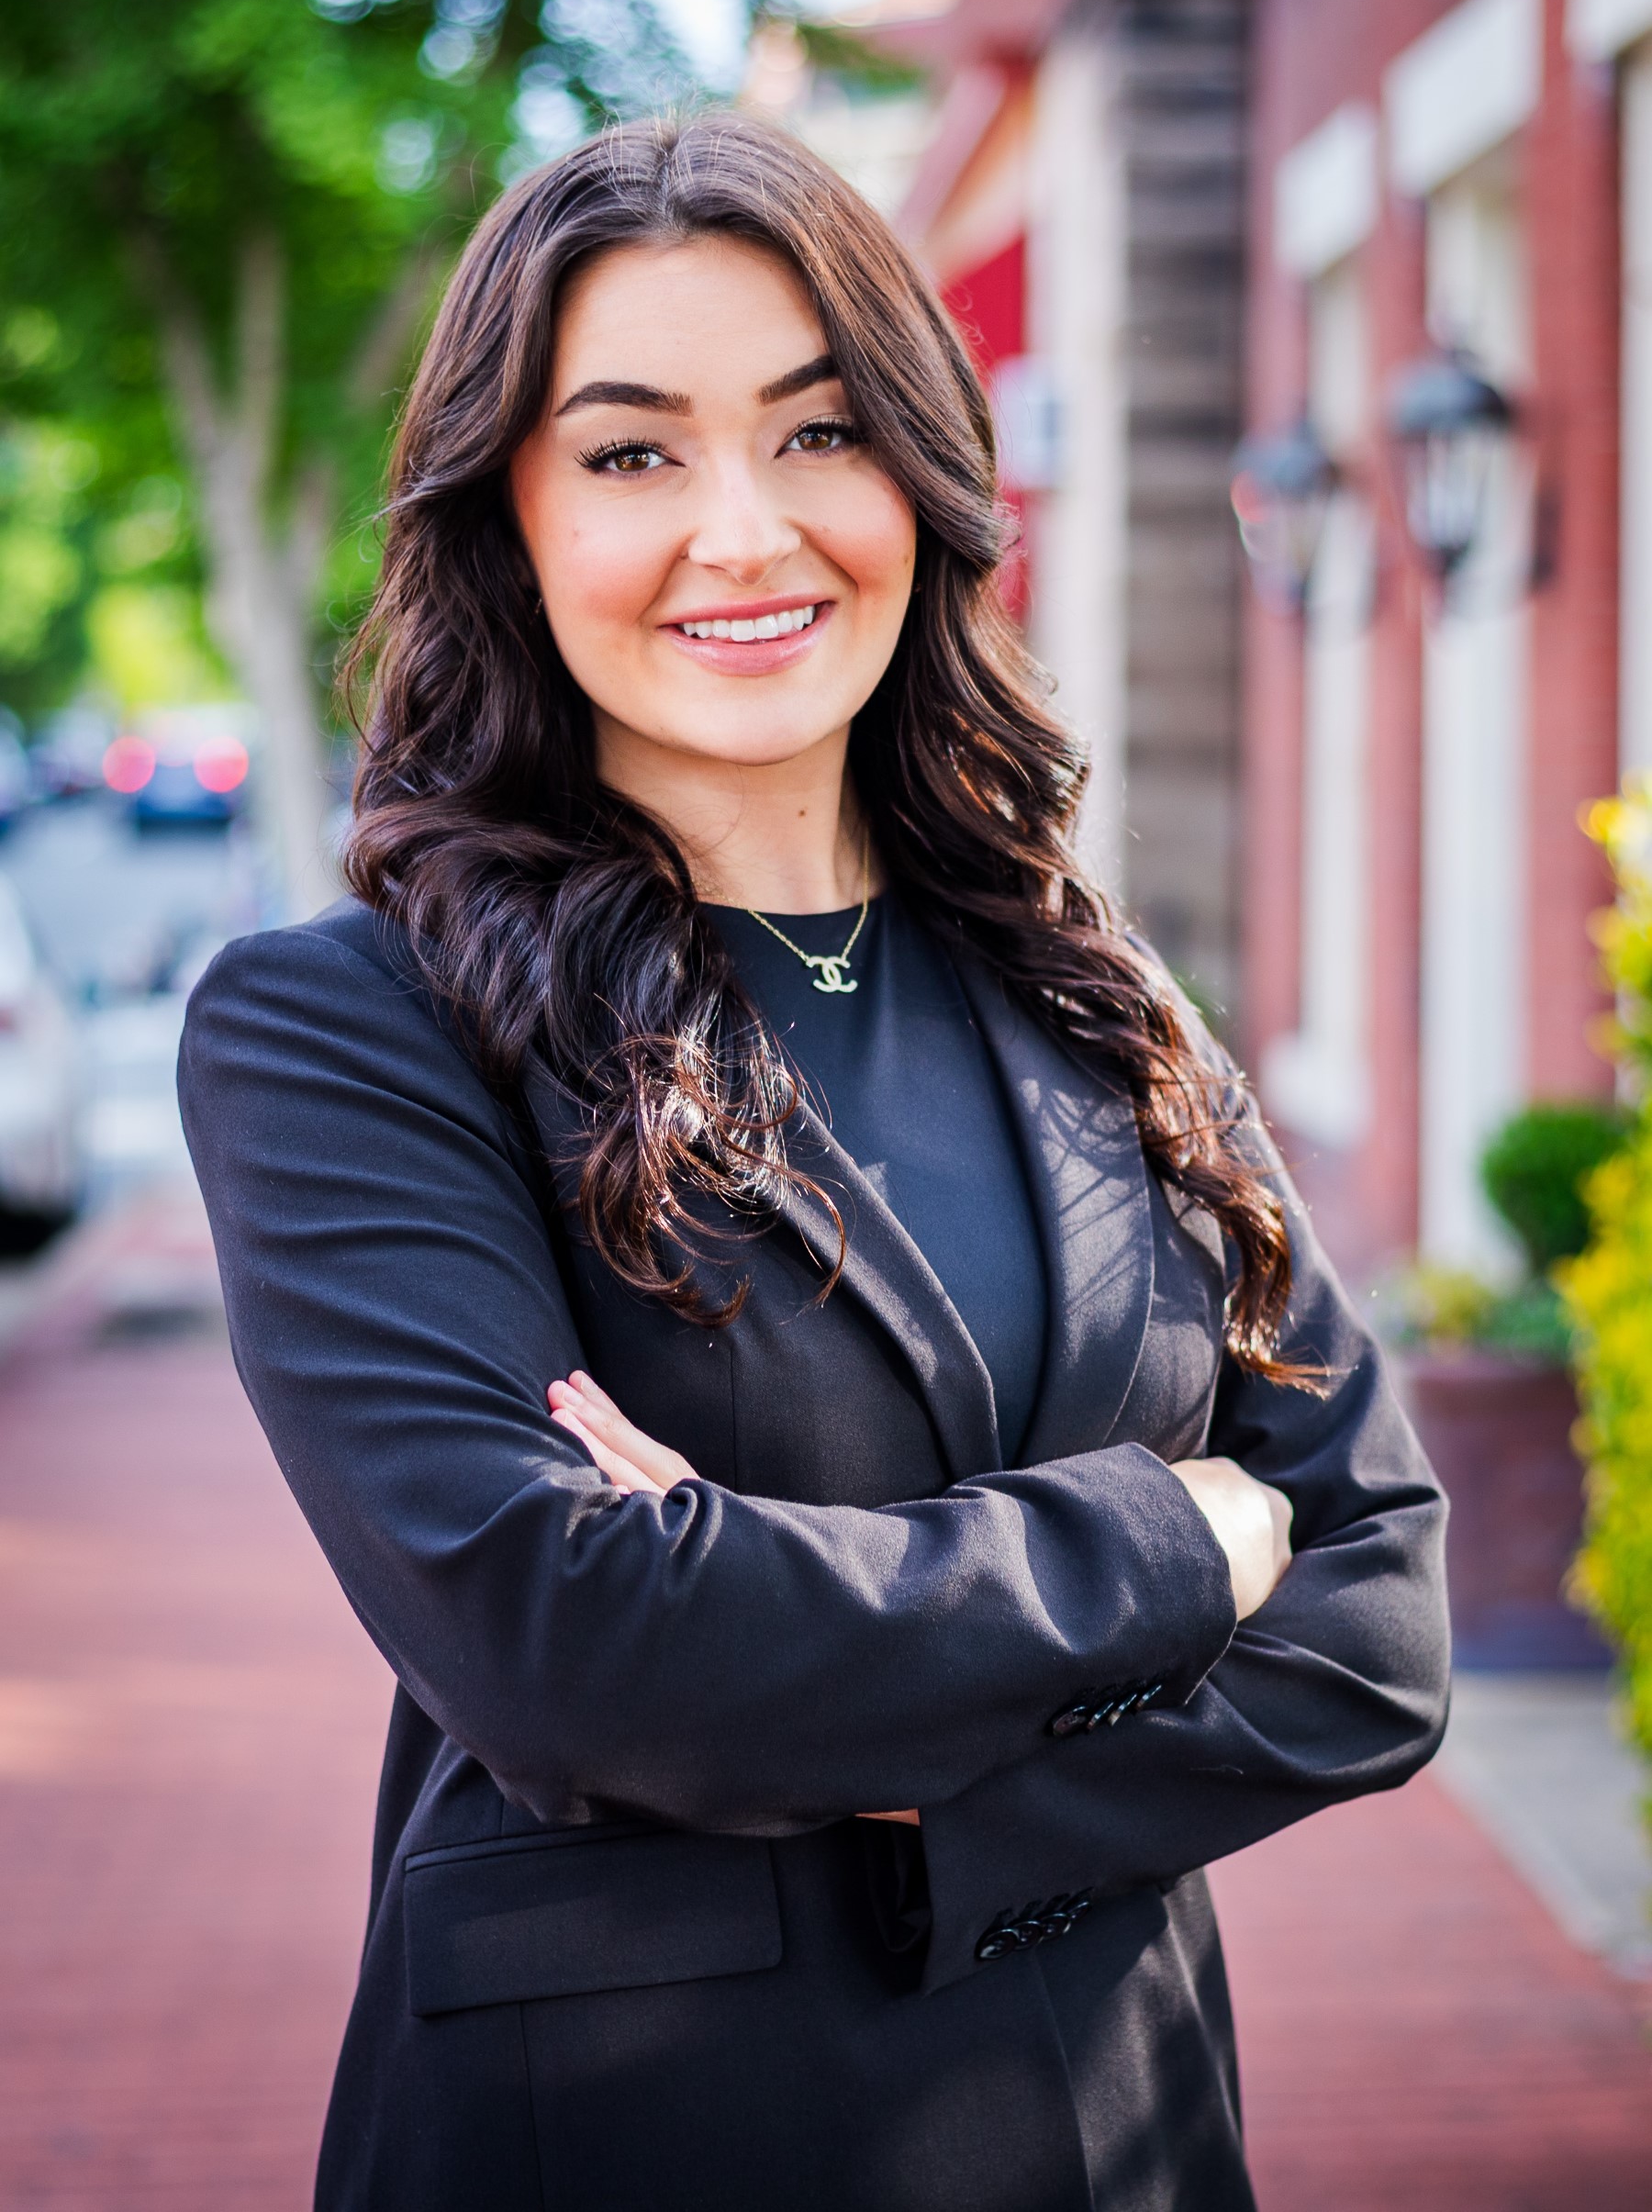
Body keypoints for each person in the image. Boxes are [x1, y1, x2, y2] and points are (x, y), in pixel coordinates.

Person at [179, 111, 1449, 2212]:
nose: (744, 531)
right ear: (507, 519)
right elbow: (562, 1644)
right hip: (627, 2149)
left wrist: (904, 1773)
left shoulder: (1091, 987)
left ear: (920, 479)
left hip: (1127, 2138)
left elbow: (1379, 1612)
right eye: (631, 453)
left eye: (820, 431)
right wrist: (1172, 1542)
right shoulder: (353, 1028)